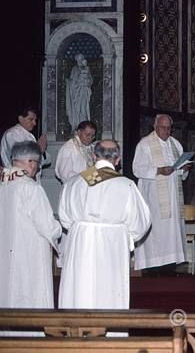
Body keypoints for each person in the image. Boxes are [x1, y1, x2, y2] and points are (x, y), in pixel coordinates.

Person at [58, 140, 150, 309]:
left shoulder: (73, 182)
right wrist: (127, 237)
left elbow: (64, 218)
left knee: (80, 289)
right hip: (112, 244)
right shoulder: (126, 185)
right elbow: (140, 223)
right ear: (118, 159)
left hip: (80, 241)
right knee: (109, 291)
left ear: (94, 156)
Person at [0, 141, 61, 309]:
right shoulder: (30, 187)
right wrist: (58, 228)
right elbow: (46, 226)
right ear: (31, 162)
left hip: (4, 251)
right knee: (29, 293)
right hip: (28, 251)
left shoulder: (3, 183)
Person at [133, 114, 191, 270]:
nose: (166, 131)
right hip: (153, 197)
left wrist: (183, 169)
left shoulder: (176, 144)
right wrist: (158, 170)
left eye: (168, 128)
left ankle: (170, 264)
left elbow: (179, 172)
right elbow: (137, 169)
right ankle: (152, 266)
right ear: (155, 126)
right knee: (156, 231)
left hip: (172, 196)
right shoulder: (145, 144)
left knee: (171, 230)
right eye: (163, 128)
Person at [1, 107, 50, 171]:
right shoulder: (12, 134)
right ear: (20, 119)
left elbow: (46, 161)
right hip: (17, 177)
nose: (34, 123)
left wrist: (42, 150)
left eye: (35, 120)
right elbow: (22, 159)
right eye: (31, 119)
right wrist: (39, 149)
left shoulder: (29, 135)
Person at [66, 53, 93, 130]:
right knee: (77, 109)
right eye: (79, 59)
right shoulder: (75, 69)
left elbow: (90, 80)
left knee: (83, 109)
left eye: (81, 59)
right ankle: (77, 126)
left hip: (84, 91)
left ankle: (84, 126)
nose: (80, 61)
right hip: (76, 93)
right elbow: (72, 81)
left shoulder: (86, 69)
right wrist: (71, 83)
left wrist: (86, 82)